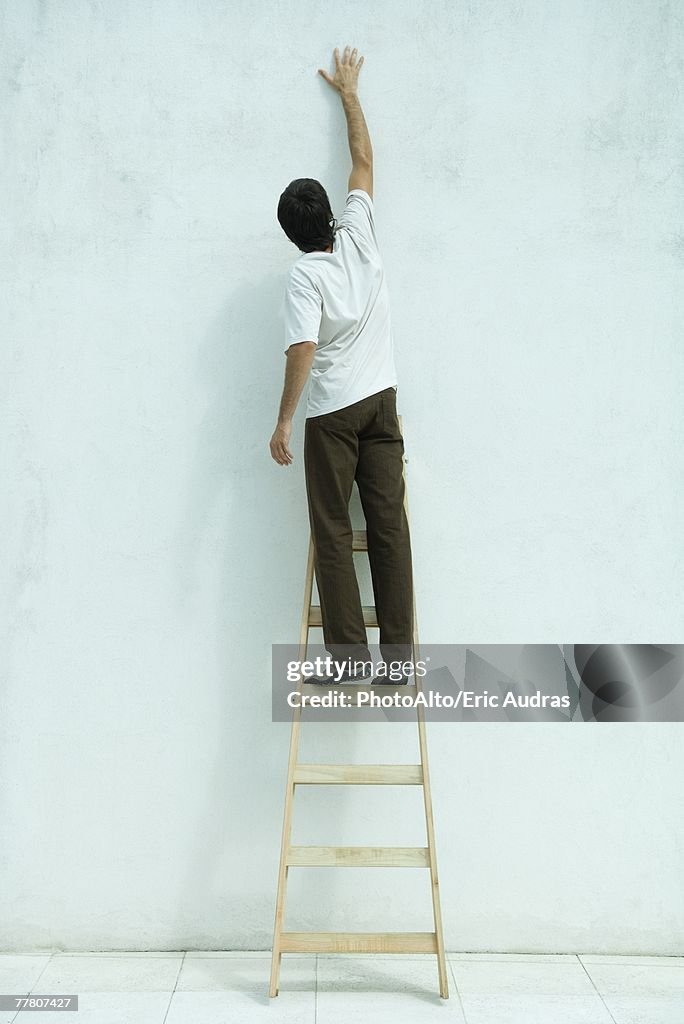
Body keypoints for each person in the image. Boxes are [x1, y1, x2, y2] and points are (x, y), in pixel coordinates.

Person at [270, 45, 413, 686]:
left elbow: (302, 349)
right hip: (382, 401)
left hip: (333, 417)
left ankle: (351, 660)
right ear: (328, 213)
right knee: (387, 525)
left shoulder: (305, 275)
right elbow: (362, 160)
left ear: (294, 236)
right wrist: (350, 94)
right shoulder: (359, 231)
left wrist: (282, 424)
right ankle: (400, 660)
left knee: (332, 529)